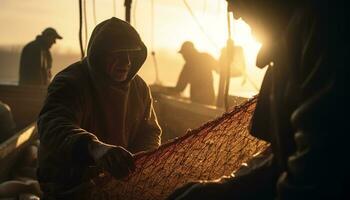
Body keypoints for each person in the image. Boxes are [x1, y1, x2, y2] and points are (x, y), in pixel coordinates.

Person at [167, 0, 346, 199]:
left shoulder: (325, 25)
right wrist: (227, 187)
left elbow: (318, 168)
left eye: (233, 1)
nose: (233, 13)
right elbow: (282, 159)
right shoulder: (290, 41)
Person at [37, 17, 162, 198]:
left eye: (131, 54)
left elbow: (149, 131)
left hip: (118, 181)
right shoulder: (70, 82)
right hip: (69, 182)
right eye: (118, 54)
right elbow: (52, 125)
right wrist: (95, 149)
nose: (126, 61)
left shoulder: (140, 88)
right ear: (100, 54)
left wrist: (139, 162)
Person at [162, 41, 219, 105]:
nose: (183, 56)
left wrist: (162, 89)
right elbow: (219, 69)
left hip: (197, 102)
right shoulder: (206, 57)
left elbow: (179, 88)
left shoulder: (188, 66)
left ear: (189, 52)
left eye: (184, 53)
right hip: (209, 100)